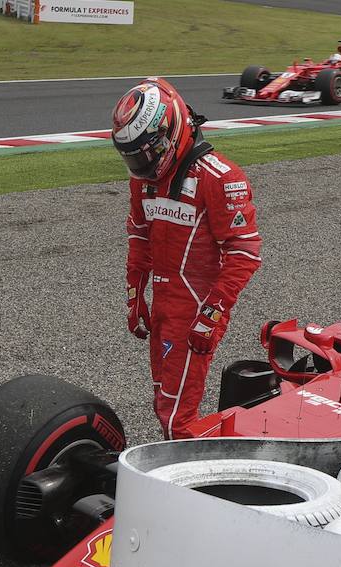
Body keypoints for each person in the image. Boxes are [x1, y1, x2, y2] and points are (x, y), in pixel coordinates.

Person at [112, 77, 262, 439]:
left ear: (171, 129)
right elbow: (139, 235)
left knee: (178, 415)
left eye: (147, 152)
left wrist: (212, 314)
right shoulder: (144, 180)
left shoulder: (222, 178)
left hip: (196, 310)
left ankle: (194, 474)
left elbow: (244, 252)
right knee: (163, 399)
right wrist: (135, 296)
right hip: (163, 306)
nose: (142, 163)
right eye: (134, 156)